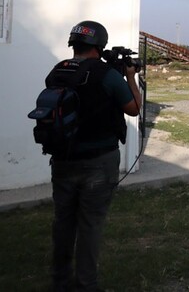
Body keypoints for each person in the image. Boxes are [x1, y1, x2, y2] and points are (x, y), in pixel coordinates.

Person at [49, 20, 142, 292]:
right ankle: (87, 285)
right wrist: (130, 77)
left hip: (62, 158)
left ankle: (60, 281)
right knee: (90, 224)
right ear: (99, 46)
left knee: (63, 222)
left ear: (73, 44)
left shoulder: (57, 71)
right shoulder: (107, 75)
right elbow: (134, 108)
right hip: (98, 162)